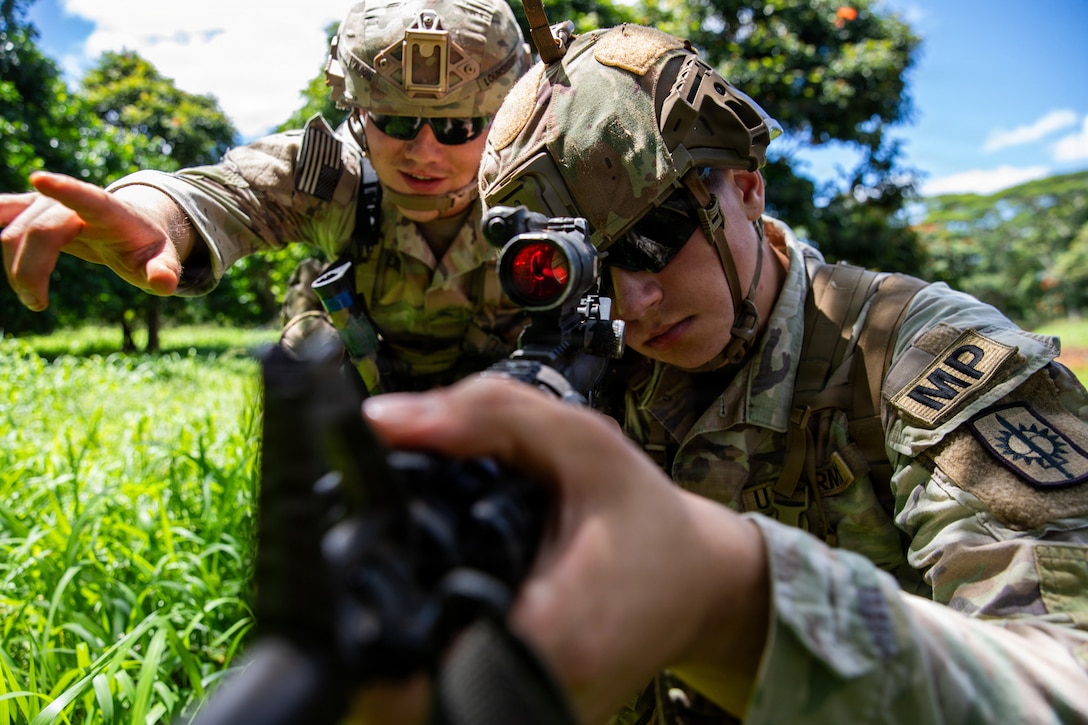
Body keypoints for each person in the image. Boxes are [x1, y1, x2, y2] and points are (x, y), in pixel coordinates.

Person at [366, 21, 1088, 724]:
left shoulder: (920, 358)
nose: (635, 300)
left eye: (654, 237)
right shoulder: (585, 381)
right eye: (590, 275)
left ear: (746, 185)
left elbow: (1068, 678)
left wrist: (733, 604)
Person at [0, 0, 531, 394]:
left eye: (459, 126)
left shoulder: (550, 176)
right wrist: (150, 213)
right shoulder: (330, 171)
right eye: (395, 120)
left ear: (509, 113)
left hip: (523, 408)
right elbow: (223, 193)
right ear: (356, 109)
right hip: (357, 408)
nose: (424, 151)